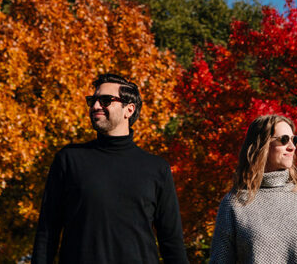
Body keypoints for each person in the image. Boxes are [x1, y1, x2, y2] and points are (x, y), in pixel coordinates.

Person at [32, 72, 188, 264]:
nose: (96, 106)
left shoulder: (157, 169)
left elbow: (172, 242)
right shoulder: (69, 160)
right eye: (93, 100)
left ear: (128, 110)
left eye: (106, 100)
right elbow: (47, 233)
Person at [209, 114, 297, 263]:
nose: (292, 147)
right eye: (284, 140)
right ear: (261, 145)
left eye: (294, 140)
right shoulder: (235, 203)